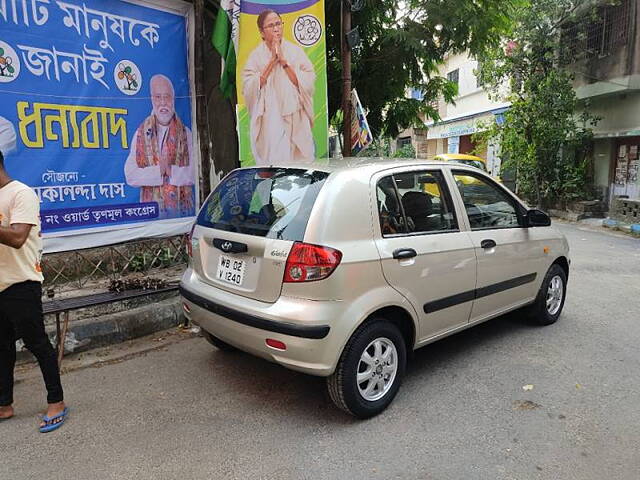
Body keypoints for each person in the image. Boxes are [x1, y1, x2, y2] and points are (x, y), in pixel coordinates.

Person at [0, 150, 68, 433]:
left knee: (37, 343)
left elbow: (17, 238)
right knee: (2, 348)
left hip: (21, 283)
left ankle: (57, 402)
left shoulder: (21, 194)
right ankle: (4, 403)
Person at [242, 9, 316, 166]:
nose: (276, 29)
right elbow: (249, 88)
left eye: (278, 24)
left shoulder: (295, 51)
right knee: (276, 166)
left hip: (295, 116)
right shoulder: (255, 56)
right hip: (271, 121)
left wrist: (284, 62)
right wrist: (271, 62)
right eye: (271, 25)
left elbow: (307, 82)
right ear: (262, 32)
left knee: (300, 165)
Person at [124, 74, 195, 219]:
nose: (163, 103)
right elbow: (130, 175)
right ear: (151, 99)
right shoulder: (141, 133)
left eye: (167, 97)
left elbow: (196, 172)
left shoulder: (185, 133)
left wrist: (171, 171)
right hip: (151, 217)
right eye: (158, 97)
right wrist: (158, 171)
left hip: (181, 216)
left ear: (173, 99)